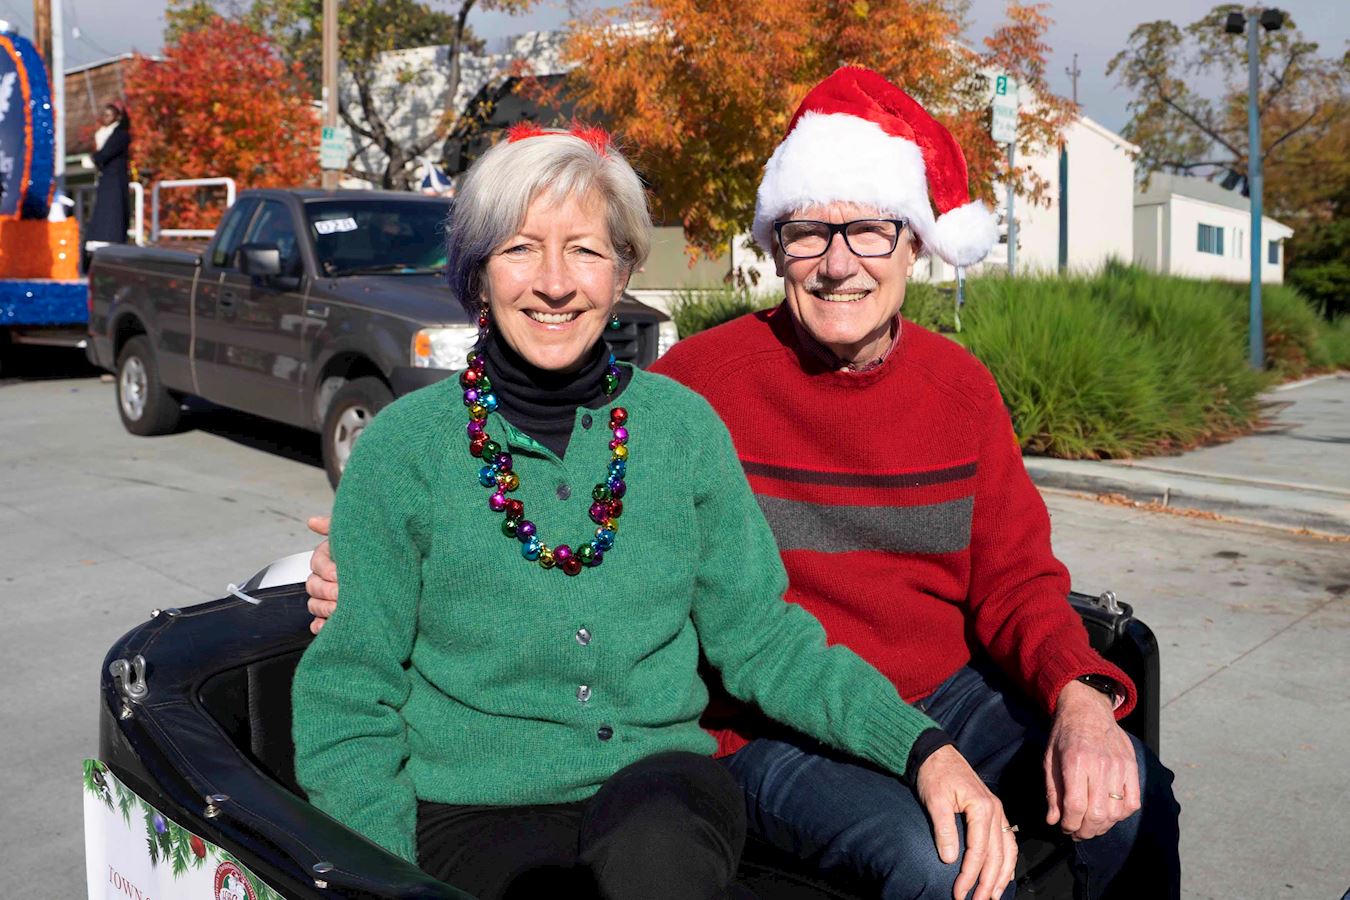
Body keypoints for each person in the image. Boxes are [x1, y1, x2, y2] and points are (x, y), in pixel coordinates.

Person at [308, 70, 1182, 898]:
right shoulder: (698, 388)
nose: (839, 264)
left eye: (871, 230)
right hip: (756, 733)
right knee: (935, 860)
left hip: (894, 708)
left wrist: (1077, 695)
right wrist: (363, 576)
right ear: (778, 247)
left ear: (914, 242)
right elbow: (371, 666)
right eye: (809, 234)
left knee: (1137, 795)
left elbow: (1010, 581)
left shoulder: (930, 393)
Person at [86, 103, 132, 251]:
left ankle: (112, 240)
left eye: (108, 115)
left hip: (115, 178)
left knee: (114, 210)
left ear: (116, 117)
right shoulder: (103, 133)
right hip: (106, 177)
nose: (105, 118)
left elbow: (107, 152)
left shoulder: (120, 134)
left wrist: (94, 158)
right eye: (104, 115)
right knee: (104, 210)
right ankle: (100, 239)